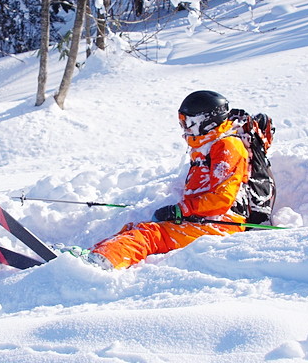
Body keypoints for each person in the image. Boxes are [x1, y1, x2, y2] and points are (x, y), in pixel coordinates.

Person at [84, 90, 250, 269]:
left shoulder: (226, 146)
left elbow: (221, 198)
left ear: (206, 122)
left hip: (220, 224)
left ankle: (101, 262)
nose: (184, 128)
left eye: (188, 123)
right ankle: (95, 255)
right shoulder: (206, 146)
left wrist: (181, 210)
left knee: (151, 235)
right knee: (136, 227)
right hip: (203, 219)